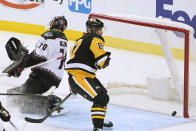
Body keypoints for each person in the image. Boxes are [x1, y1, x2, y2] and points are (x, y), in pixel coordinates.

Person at [4, 16, 68, 114]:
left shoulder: (50, 35)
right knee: (17, 92)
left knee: (12, 97)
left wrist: (23, 63)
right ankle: (49, 98)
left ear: (54, 23)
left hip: (41, 78)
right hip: (54, 79)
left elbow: (39, 55)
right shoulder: (64, 39)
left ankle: (48, 104)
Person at [65, 18, 113, 131]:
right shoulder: (95, 38)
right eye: (100, 29)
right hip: (80, 77)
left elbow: (76, 58)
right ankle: (97, 127)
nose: (102, 32)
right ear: (95, 30)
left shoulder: (80, 39)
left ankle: (99, 120)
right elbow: (102, 62)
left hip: (82, 76)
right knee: (101, 98)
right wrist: (106, 59)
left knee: (103, 96)